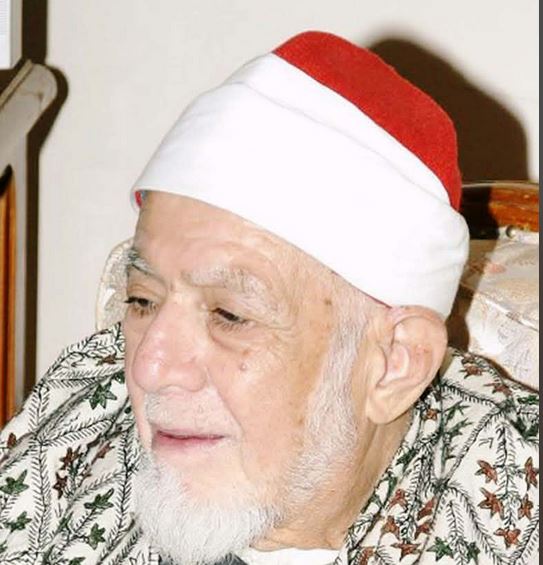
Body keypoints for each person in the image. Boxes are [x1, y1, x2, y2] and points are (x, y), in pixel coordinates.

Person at [0, 31, 538, 565]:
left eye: (229, 315)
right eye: (142, 300)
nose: (148, 367)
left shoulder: (509, 511)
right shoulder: (77, 422)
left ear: (395, 363)